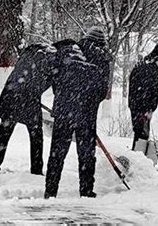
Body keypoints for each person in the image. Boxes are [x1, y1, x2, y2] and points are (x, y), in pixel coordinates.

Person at [45, 27, 112, 199]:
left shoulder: (70, 51)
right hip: (86, 114)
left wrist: (63, 97)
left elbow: (55, 79)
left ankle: (50, 191)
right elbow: (102, 91)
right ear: (101, 43)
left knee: (57, 152)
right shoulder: (102, 58)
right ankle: (86, 190)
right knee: (86, 153)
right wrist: (88, 102)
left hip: (64, 110)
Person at [0, 43, 56, 175]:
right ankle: (36, 170)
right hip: (27, 99)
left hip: (10, 94)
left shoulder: (32, 53)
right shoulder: (51, 61)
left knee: (4, 132)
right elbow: (55, 87)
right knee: (36, 135)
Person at [128, 43, 158, 153]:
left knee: (142, 134)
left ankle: (140, 159)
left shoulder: (153, 67)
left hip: (145, 107)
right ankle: (138, 160)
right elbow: (141, 90)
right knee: (141, 134)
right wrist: (145, 108)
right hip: (140, 107)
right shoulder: (145, 68)